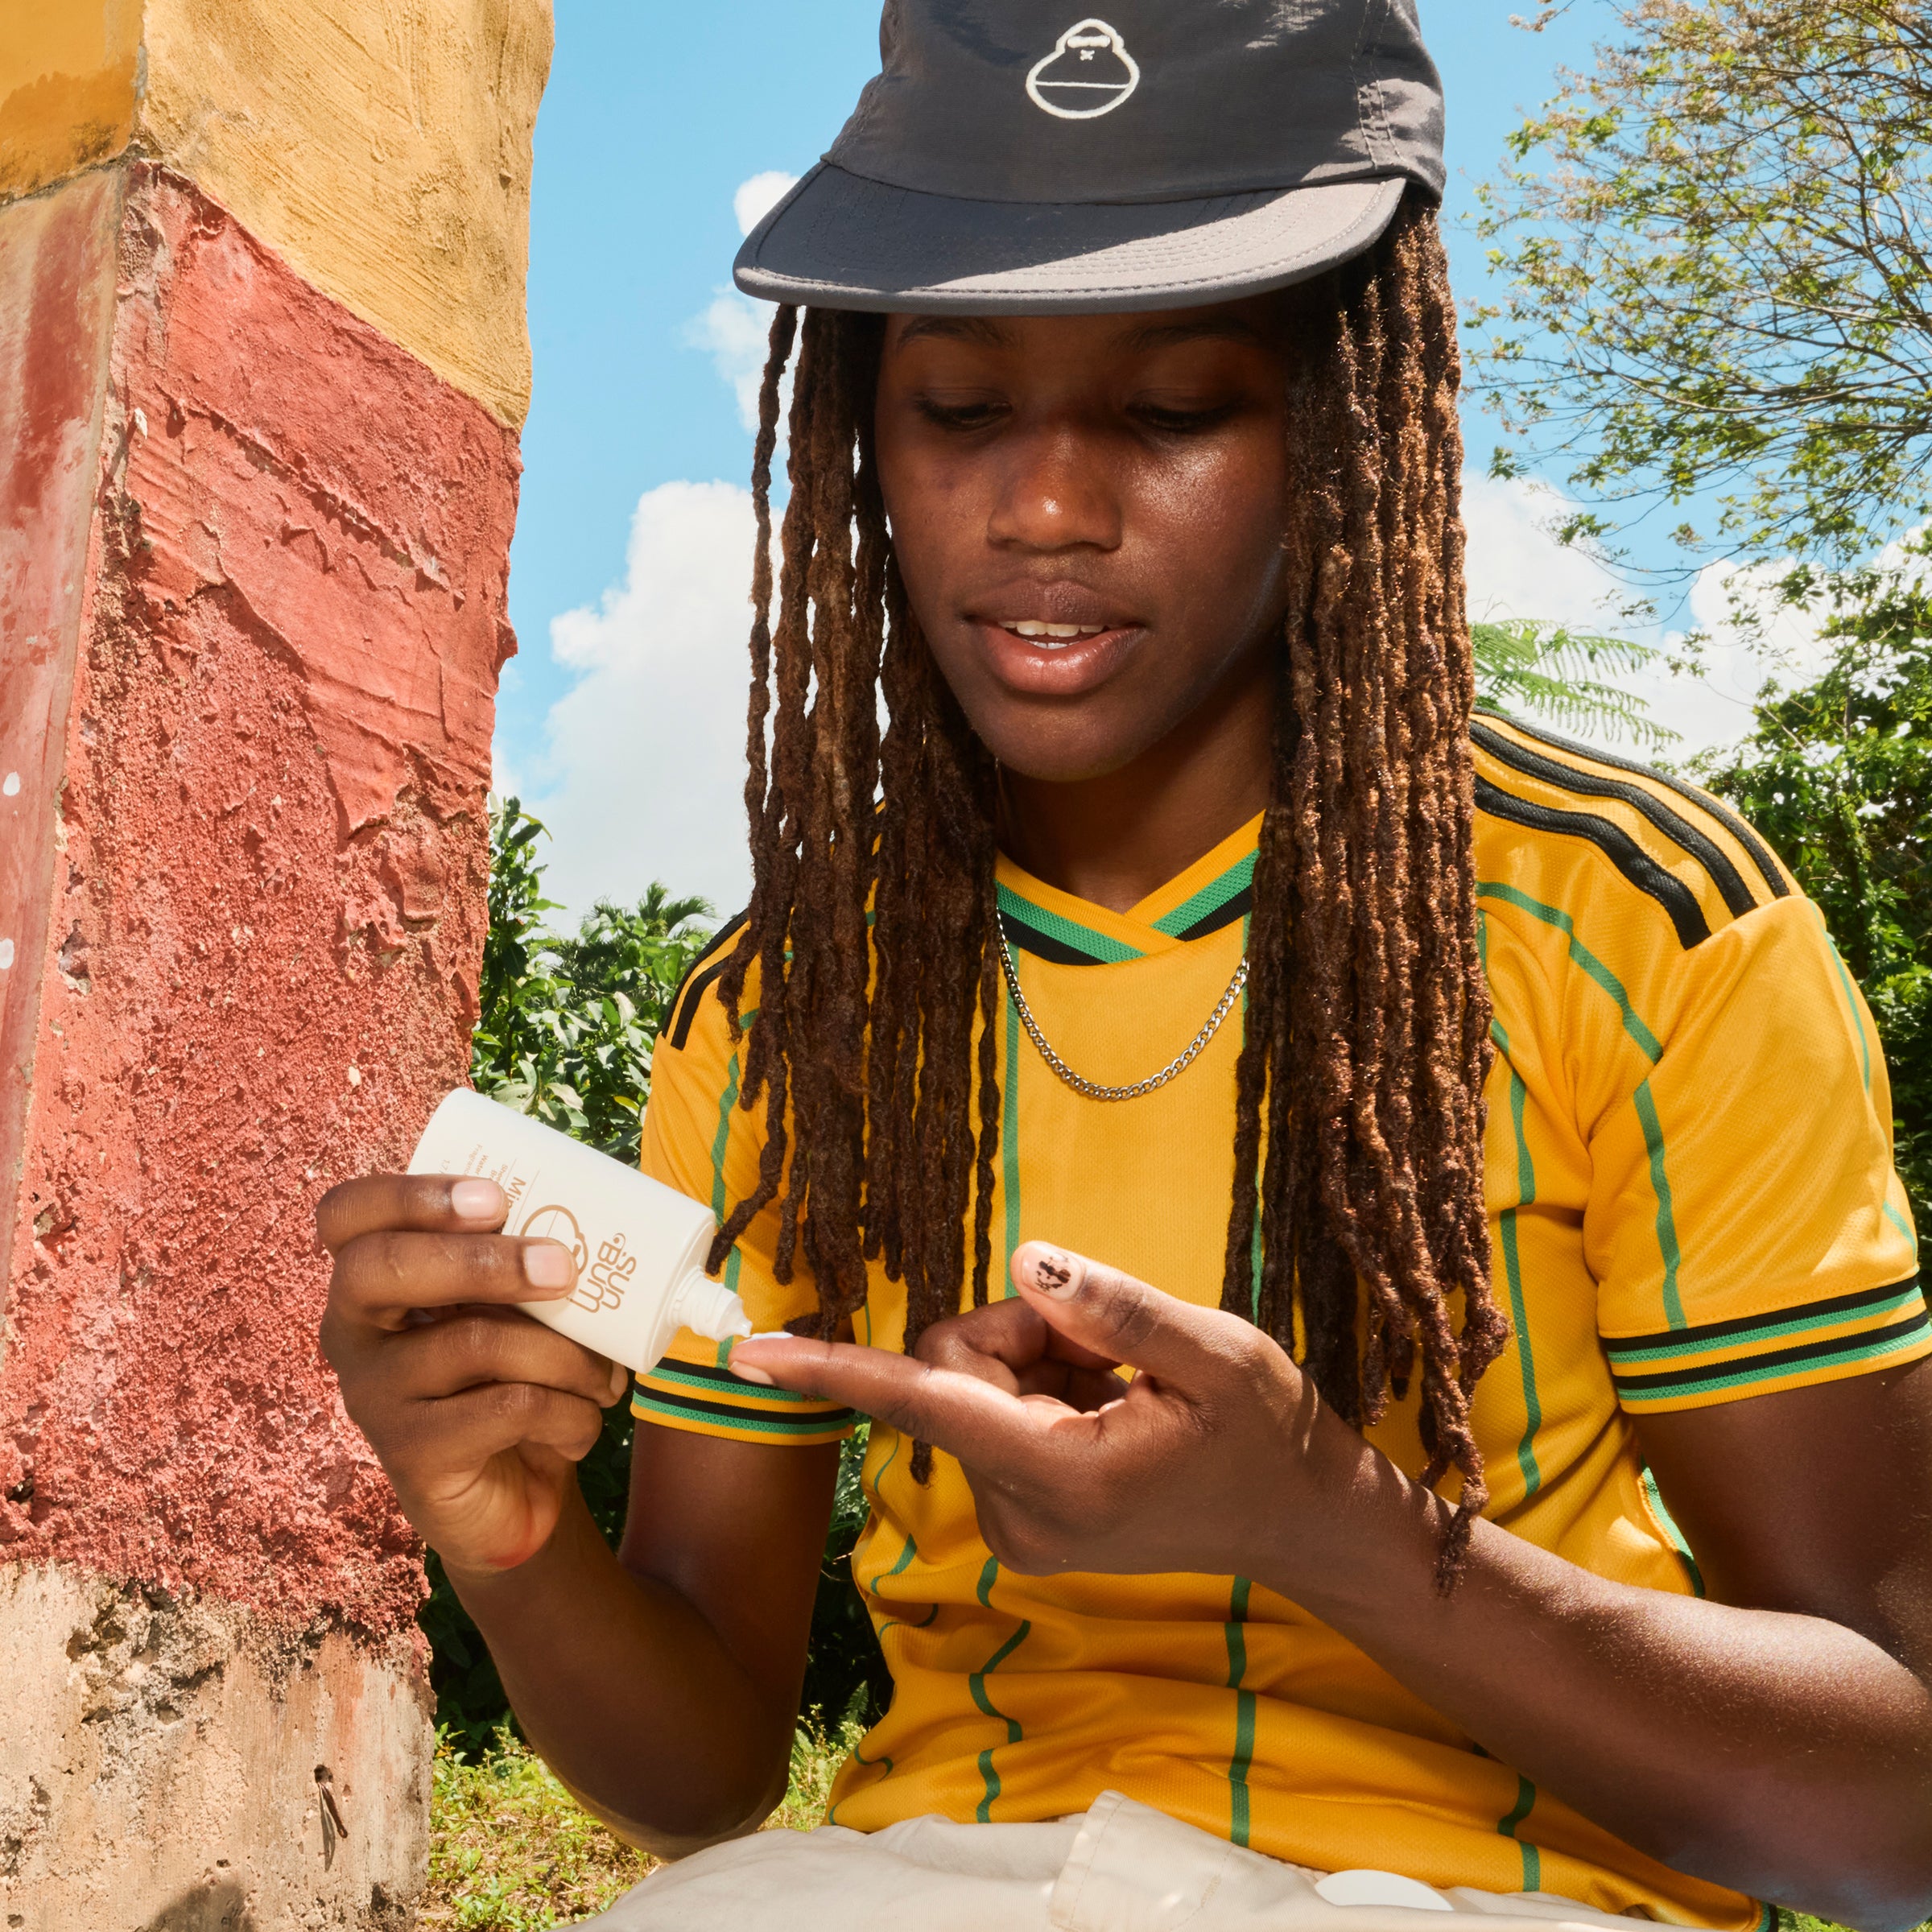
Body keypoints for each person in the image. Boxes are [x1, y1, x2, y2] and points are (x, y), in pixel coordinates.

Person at [316, 6, 1932, 1928]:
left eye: (1174, 410)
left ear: (1346, 421)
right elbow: (707, 1771)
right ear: (864, 433)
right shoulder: (784, 1013)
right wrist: (501, 1538)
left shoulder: (1639, 924)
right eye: (962, 408)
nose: (1051, 507)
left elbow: (1898, 1818)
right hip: (937, 1881)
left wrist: (1322, 1524)